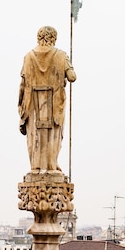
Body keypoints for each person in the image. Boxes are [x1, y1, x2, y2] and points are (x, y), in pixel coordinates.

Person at [18, 26, 76, 172]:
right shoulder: (61, 55)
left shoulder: (28, 57)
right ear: (53, 39)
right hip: (54, 105)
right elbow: (72, 77)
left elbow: (22, 85)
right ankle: (51, 164)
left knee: (34, 135)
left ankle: (36, 166)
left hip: (32, 106)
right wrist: (66, 64)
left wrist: (20, 108)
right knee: (53, 135)